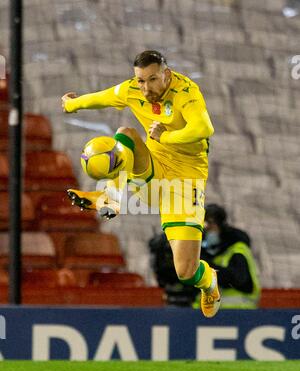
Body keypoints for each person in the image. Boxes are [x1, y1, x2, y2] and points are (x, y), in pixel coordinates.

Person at [61, 50, 220, 318]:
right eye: (141, 80)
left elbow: (203, 128)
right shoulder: (132, 89)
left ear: (166, 74)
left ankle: (210, 283)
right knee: (125, 134)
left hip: (186, 180)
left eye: (152, 79)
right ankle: (110, 198)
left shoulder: (186, 91)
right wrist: (72, 105)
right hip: (154, 170)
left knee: (186, 271)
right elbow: (103, 98)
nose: (146, 88)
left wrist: (166, 137)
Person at [199, 204, 261, 309]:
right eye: (204, 226)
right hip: (216, 315)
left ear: (221, 226)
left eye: (211, 224)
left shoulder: (237, 250)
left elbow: (238, 279)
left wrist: (207, 269)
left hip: (240, 312)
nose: (207, 230)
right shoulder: (208, 253)